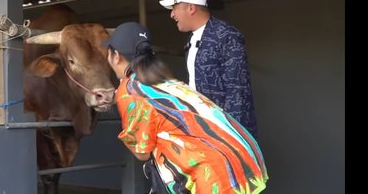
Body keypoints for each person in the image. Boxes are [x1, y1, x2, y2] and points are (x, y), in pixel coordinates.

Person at [102, 22, 268, 194]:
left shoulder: (130, 91)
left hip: (215, 175)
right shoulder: (165, 82)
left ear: (115, 56)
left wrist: (123, 106)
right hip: (245, 159)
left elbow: (142, 152)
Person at [159, 0, 258, 138]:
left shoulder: (226, 35)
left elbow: (237, 90)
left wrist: (232, 137)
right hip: (202, 128)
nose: (172, 14)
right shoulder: (191, 39)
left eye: (175, 7)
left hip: (225, 133)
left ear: (191, 8)